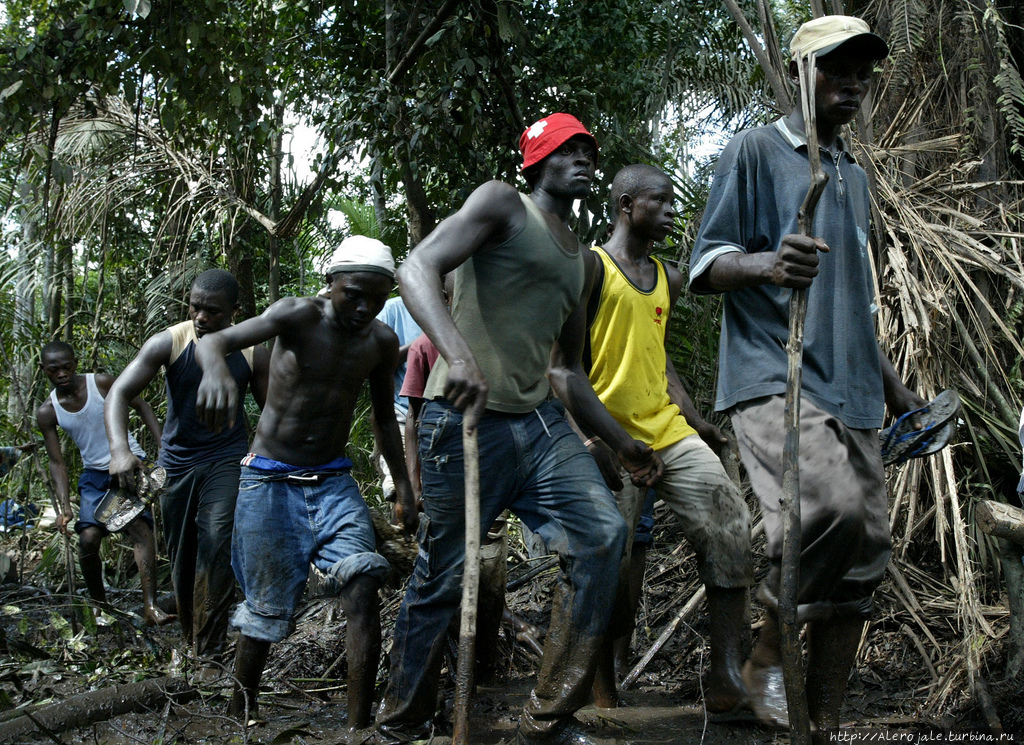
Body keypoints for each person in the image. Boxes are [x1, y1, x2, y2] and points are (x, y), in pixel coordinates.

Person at [375, 113, 660, 745]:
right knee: (444, 573)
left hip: (537, 424)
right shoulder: (503, 204)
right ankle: (402, 723)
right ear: (537, 162)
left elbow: (568, 373)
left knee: (601, 535)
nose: (584, 155)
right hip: (464, 421)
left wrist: (621, 442)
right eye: (568, 148)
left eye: (589, 147)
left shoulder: (585, 264)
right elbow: (417, 267)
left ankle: (548, 719)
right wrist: (459, 356)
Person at [688, 16, 927, 735]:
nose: (852, 82)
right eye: (836, 68)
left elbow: (852, 302)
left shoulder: (851, 174)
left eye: (862, 71)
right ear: (800, 73)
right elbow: (704, 264)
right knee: (824, 510)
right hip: (775, 374)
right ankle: (764, 652)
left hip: (853, 388)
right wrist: (766, 263)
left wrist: (897, 391)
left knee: (863, 556)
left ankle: (820, 720)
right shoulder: (757, 151)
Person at [193, 236, 417, 729]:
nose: (364, 307)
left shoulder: (379, 342)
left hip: (333, 483)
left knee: (361, 586)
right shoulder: (296, 315)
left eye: (376, 299)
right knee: (264, 612)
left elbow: (384, 419)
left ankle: (359, 727)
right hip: (269, 481)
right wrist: (213, 374)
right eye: (353, 293)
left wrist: (403, 485)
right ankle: (241, 715)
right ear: (331, 282)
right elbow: (214, 341)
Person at [582, 164, 753, 713]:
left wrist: (696, 417)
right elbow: (562, 364)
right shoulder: (591, 268)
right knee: (610, 558)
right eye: (662, 201)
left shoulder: (668, 277)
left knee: (730, 521)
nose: (673, 212)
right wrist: (592, 441)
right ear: (628, 204)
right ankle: (601, 687)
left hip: (666, 431)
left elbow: (657, 355)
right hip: (610, 436)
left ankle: (728, 676)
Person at [106, 269, 270, 668]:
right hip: (177, 462)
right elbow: (120, 392)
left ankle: (210, 650)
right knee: (182, 555)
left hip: (227, 459)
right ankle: (190, 639)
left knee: (216, 538)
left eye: (212, 311)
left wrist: (262, 459)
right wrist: (118, 450)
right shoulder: (170, 341)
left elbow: (270, 411)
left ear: (235, 312)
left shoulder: (253, 351)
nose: (200, 317)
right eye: (195, 307)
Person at [36, 341, 171, 626]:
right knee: (88, 539)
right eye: (54, 370)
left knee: (138, 527)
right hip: (94, 475)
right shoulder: (48, 411)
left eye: (66, 367)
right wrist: (64, 507)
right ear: (43, 370)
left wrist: (163, 450)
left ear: (75, 362)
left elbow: (141, 405)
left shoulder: (101, 384)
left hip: (130, 465)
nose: (61, 373)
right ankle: (99, 607)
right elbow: (57, 462)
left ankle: (150, 606)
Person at [374, 292, 423, 504]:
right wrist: (420, 345)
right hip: (401, 413)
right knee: (402, 492)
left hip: (443, 416)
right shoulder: (394, 309)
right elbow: (375, 363)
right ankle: (401, 536)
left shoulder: (454, 306)